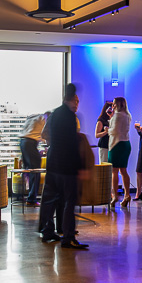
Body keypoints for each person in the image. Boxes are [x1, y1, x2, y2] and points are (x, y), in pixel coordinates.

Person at [38, 83, 87, 249]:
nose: (76, 103)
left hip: (53, 161)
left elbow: (48, 135)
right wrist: (80, 166)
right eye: (76, 100)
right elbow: (72, 144)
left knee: (49, 199)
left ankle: (47, 231)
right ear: (71, 98)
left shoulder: (55, 114)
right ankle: (68, 236)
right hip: (66, 164)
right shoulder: (70, 117)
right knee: (69, 201)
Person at [108, 97, 132, 207]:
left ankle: (115, 196)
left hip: (116, 144)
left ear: (117, 104)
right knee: (123, 171)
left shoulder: (117, 115)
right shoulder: (127, 115)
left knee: (114, 171)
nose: (112, 106)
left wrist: (107, 129)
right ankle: (127, 195)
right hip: (126, 143)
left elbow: (114, 131)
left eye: (114, 104)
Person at [19, 111, 47, 206]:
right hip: (31, 143)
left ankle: (22, 196)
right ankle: (31, 199)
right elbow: (46, 134)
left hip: (23, 142)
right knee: (36, 171)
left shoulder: (33, 117)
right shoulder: (44, 118)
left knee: (28, 171)